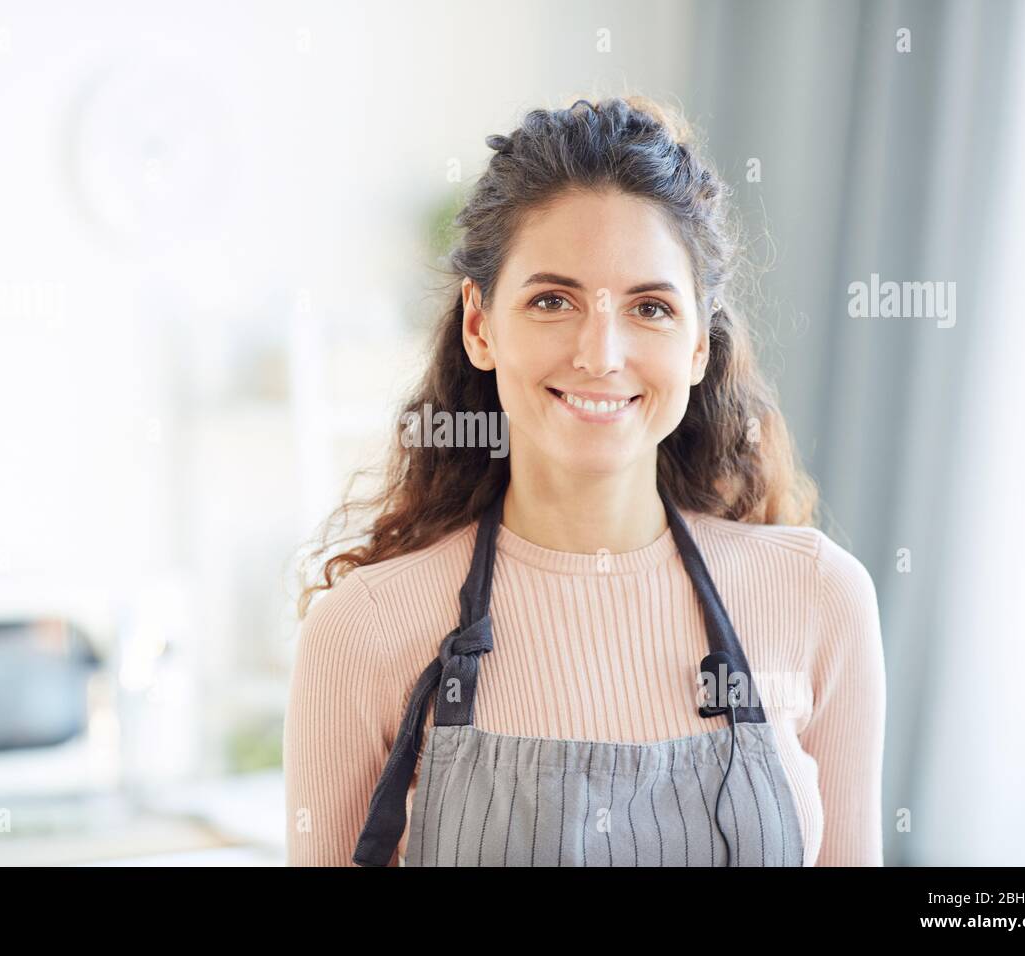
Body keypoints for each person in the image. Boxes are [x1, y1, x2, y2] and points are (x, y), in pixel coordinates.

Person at [283, 95, 886, 867]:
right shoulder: (363, 632)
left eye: (650, 307)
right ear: (480, 325)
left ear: (699, 345)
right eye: (553, 300)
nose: (601, 353)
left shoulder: (820, 600)